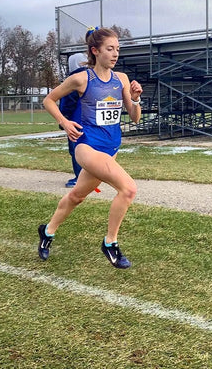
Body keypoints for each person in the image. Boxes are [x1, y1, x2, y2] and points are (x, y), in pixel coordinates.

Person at [39, 27, 143, 269]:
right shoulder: (82, 79)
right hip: (86, 146)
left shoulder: (122, 80)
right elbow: (48, 100)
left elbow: (135, 117)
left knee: (77, 196)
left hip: (111, 147)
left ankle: (47, 231)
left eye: (117, 49)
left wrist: (136, 98)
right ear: (95, 51)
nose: (115, 54)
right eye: (110, 49)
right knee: (128, 190)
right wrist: (64, 123)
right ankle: (110, 243)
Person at [59, 52, 89, 188]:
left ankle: (80, 178)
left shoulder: (73, 80)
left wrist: (63, 119)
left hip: (76, 120)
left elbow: (68, 102)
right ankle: (91, 177)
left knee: (76, 149)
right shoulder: (91, 77)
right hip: (90, 119)